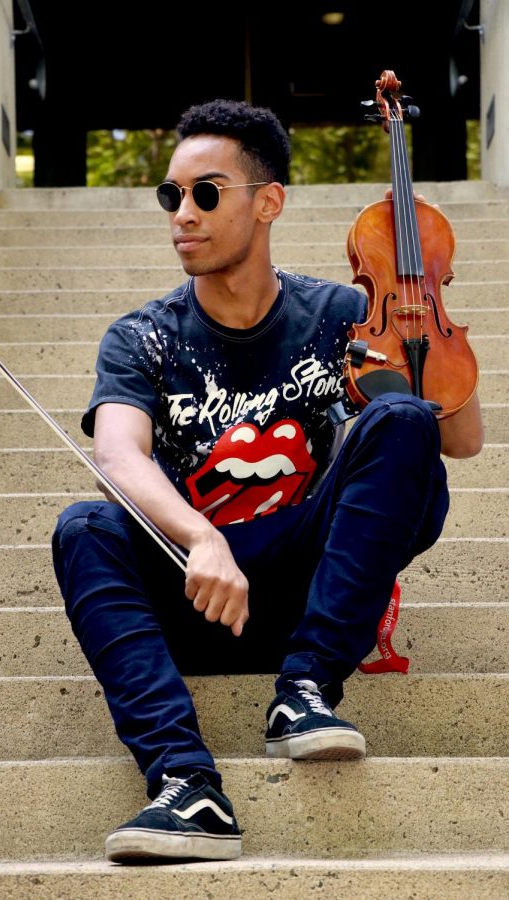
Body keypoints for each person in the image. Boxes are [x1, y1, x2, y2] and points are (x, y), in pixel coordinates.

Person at [52, 98, 484, 864]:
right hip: (198, 590)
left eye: (206, 193)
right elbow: (119, 456)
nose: (182, 214)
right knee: (85, 526)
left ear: (269, 202)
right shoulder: (142, 335)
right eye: (171, 196)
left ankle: (307, 688)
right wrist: (199, 536)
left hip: (310, 583)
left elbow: (459, 439)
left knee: (404, 422)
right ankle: (187, 783)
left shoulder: (344, 314)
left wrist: (428, 337)